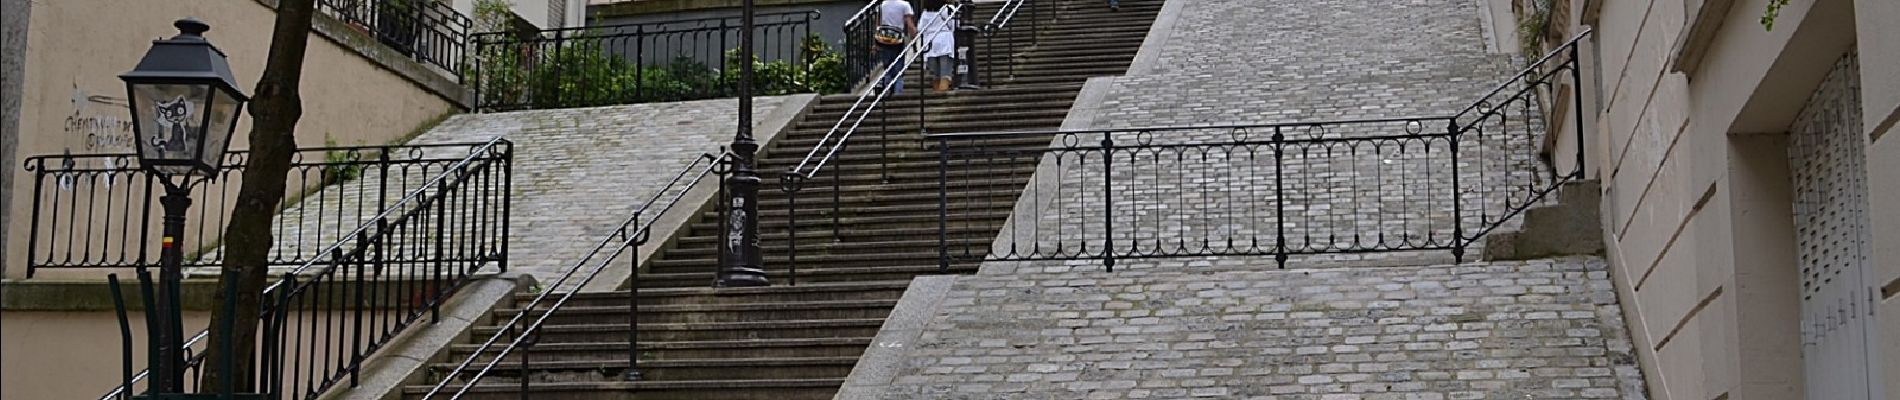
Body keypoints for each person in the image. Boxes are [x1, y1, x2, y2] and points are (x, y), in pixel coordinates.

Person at [874, 0, 916, 94]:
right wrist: (914, 35)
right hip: (897, 38)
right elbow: (909, 23)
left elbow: (878, 24)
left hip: (884, 37)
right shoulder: (904, 5)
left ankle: (887, 90)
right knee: (898, 67)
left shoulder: (882, 5)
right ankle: (898, 92)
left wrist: (876, 42)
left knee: (887, 66)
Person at [917, 0, 958, 93]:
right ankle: (944, 89)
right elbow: (955, 24)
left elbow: (920, 28)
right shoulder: (949, 9)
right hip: (945, 38)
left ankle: (936, 88)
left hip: (931, 40)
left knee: (935, 71)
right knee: (945, 69)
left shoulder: (926, 12)